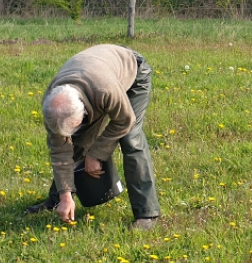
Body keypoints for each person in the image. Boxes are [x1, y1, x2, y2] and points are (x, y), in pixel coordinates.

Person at [26, 44, 161, 230]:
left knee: (131, 139)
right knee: (78, 140)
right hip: (95, 77)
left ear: (83, 112)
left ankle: (147, 213)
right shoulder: (54, 105)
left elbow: (124, 121)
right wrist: (66, 194)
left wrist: (96, 154)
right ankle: (58, 201)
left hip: (132, 72)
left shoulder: (105, 91)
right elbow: (60, 152)